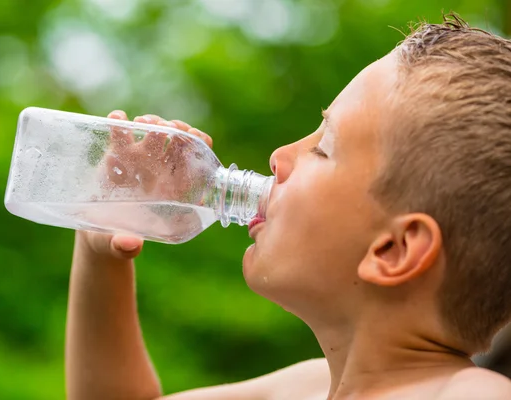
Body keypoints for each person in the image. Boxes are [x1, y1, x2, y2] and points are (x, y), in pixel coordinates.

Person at [64, 13, 511, 399]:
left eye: (323, 148)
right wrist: (99, 248)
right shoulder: (304, 388)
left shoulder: (473, 394)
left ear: (393, 250)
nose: (279, 156)